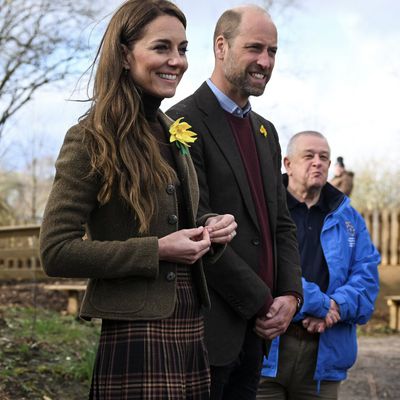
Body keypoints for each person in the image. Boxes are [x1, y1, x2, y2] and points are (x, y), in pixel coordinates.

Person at [39, 1, 237, 399]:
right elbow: (56, 251)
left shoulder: (173, 131)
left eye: (183, 49)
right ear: (125, 54)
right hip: (136, 331)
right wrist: (157, 251)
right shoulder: (91, 138)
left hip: (189, 320)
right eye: (162, 47)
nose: (177, 61)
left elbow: (177, 218)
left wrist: (210, 227)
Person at [167, 5, 303, 399]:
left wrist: (290, 297)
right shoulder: (181, 123)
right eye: (255, 48)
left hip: (257, 337)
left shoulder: (267, 131)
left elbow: (281, 224)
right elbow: (193, 227)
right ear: (221, 46)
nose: (265, 61)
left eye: (272, 51)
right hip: (210, 332)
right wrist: (263, 303)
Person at [260, 131, 380, 399]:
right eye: (309, 156)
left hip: (325, 356)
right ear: (288, 164)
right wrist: (320, 304)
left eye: (324, 157)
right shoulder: (264, 209)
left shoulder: (349, 218)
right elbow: (265, 269)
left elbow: (367, 277)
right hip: (266, 352)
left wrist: (335, 305)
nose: (318, 162)